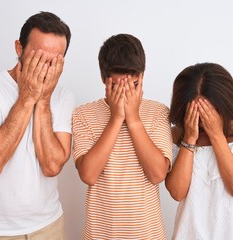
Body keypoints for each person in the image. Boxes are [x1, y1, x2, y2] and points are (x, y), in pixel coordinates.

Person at [0, 12, 74, 240]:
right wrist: (27, 97)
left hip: (49, 225)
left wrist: (43, 99)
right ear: (19, 48)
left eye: (55, 60)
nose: (46, 66)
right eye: (39, 56)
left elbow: (52, 167)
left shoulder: (63, 96)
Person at [72, 33, 172, 239]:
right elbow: (88, 175)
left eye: (134, 85)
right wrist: (116, 119)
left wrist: (134, 119)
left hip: (148, 234)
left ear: (142, 76)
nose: (126, 94)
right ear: (103, 79)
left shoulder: (158, 112)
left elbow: (157, 174)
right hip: (100, 234)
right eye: (117, 86)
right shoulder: (83, 114)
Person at [165, 62, 233, 240]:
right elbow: (177, 192)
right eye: (195, 111)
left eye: (208, 111)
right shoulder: (176, 135)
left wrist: (216, 135)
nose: (202, 119)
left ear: (225, 104)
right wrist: (189, 139)